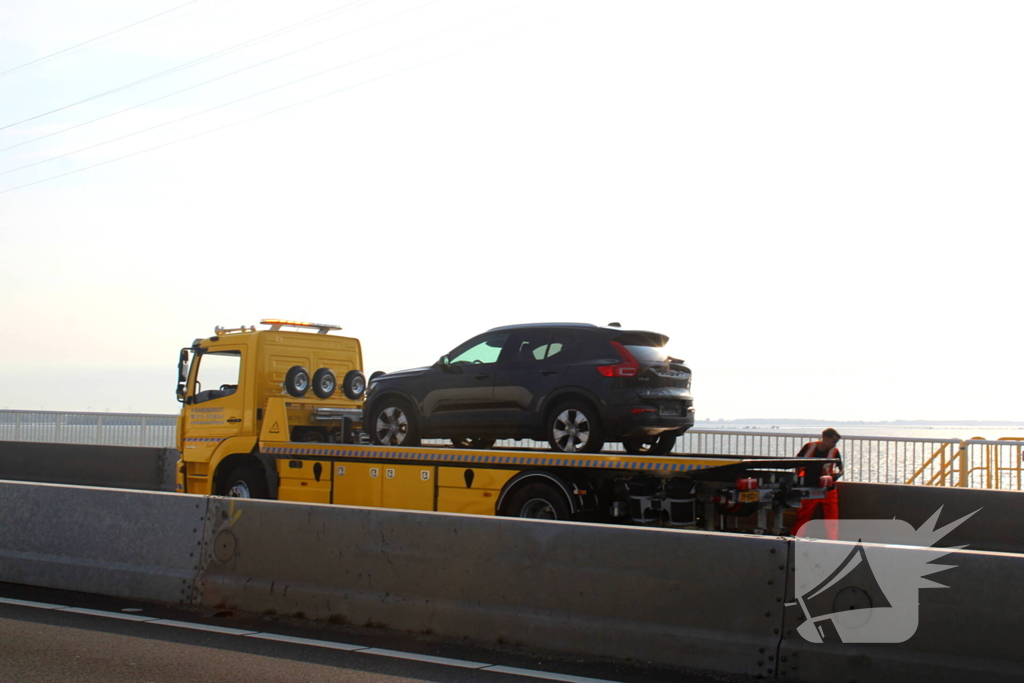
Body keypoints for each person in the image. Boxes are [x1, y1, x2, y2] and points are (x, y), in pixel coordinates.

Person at [792, 428, 843, 540]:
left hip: (828, 488)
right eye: (833, 441)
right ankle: (795, 539)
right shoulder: (809, 447)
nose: (834, 444)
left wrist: (835, 477)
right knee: (803, 516)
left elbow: (841, 469)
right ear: (825, 438)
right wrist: (798, 480)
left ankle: (832, 542)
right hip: (810, 487)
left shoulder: (834, 451)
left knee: (832, 519)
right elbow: (796, 462)